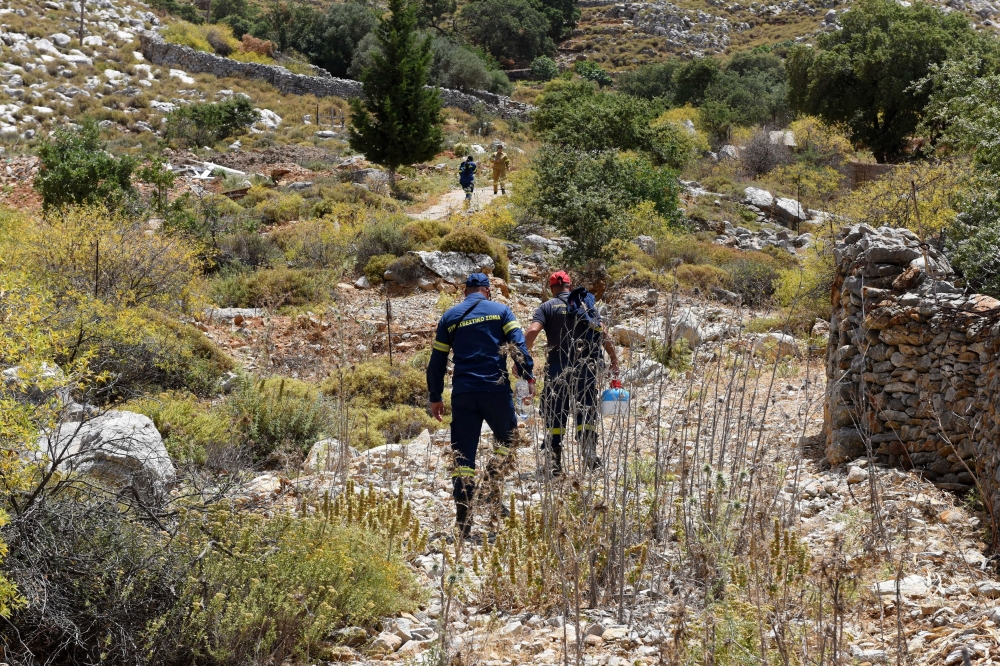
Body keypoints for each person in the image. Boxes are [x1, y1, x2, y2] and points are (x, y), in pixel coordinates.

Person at [427, 273, 534, 539]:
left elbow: (437, 361)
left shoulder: (450, 317)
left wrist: (435, 396)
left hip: (463, 393)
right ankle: (490, 486)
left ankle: (464, 520)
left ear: (466, 292)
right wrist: (526, 374)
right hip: (495, 389)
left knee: (462, 458)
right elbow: (518, 346)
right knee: (508, 441)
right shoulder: (501, 311)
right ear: (487, 291)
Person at [524, 271, 619, 476]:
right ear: (570, 285)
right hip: (587, 368)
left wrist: (522, 358)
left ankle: (555, 461)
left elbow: (532, 332)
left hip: (558, 368)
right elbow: (604, 334)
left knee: (555, 412)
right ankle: (589, 454)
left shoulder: (547, 307)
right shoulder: (585, 305)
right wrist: (614, 361)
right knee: (586, 408)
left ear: (551, 289)